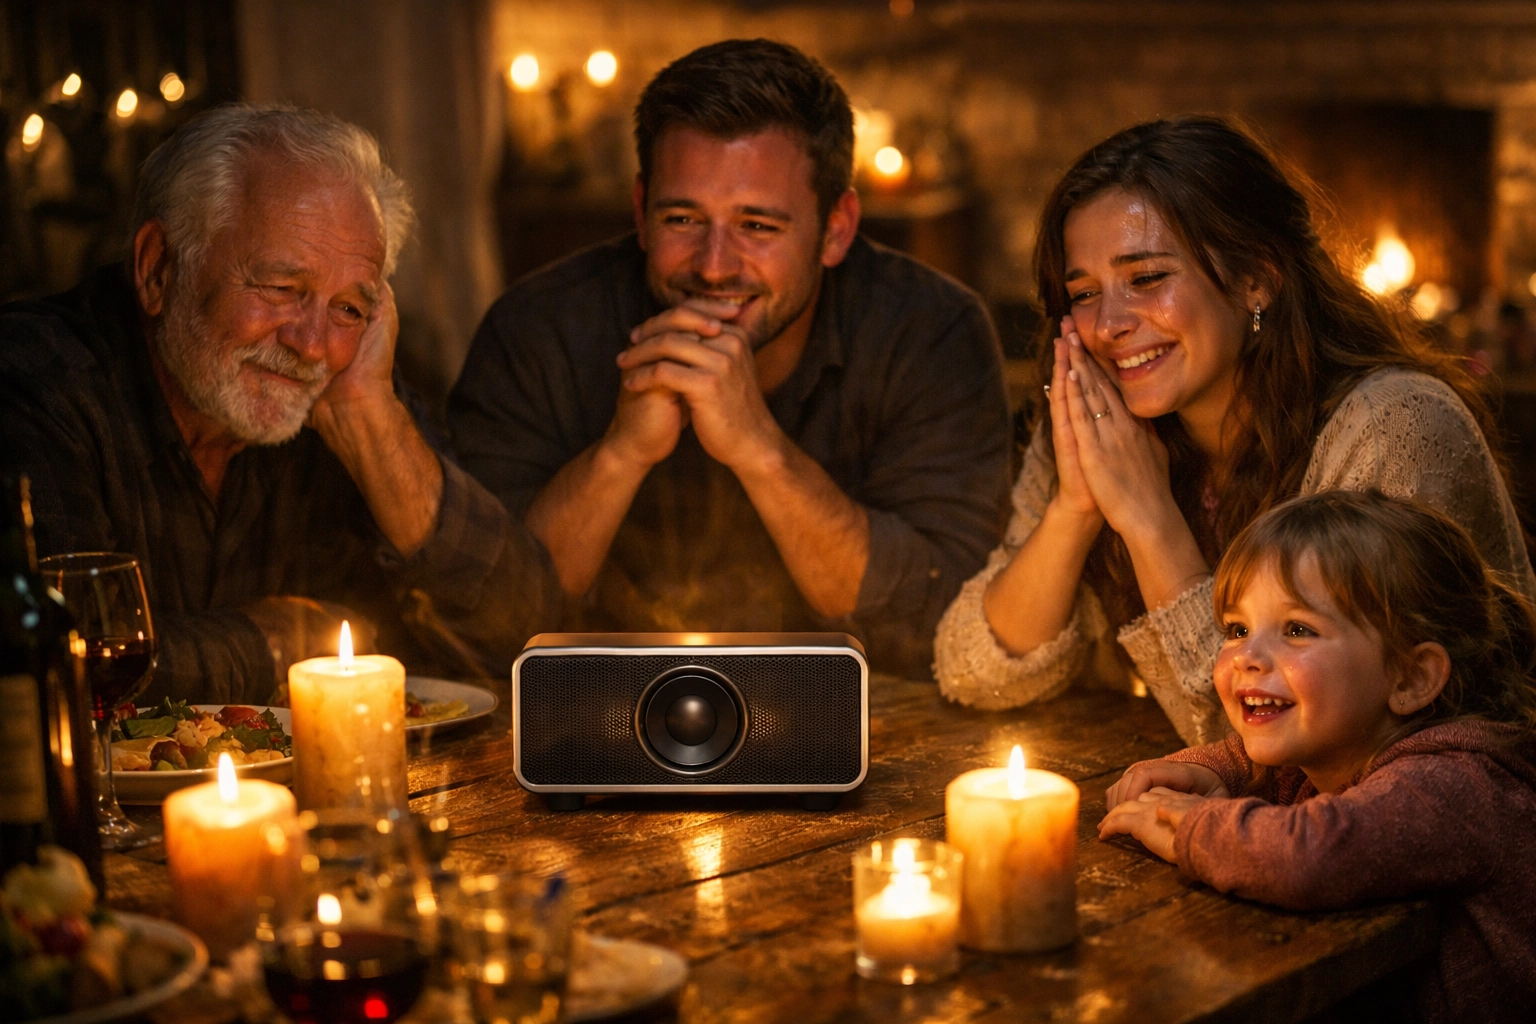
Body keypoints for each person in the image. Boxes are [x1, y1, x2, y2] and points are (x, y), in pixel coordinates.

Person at [933, 116, 1535, 744]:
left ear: (1257, 278)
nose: (1108, 324)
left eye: (1146, 279)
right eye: (1083, 294)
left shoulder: (1395, 429)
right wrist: (1077, 506)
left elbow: (1288, 746)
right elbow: (973, 671)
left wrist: (1148, 519)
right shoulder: (1103, 421)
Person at [449, 39, 1010, 677]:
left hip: (864, 741)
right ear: (639, 210)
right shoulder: (537, 329)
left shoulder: (930, 332)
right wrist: (619, 455)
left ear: (837, 228)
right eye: (683, 219)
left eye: (758, 227)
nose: (714, 266)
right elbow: (484, 636)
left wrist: (760, 450)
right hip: (591, 735)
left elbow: (946, 629)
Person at [0, 104, 559, 704]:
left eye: (348, 308)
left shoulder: (347, 388)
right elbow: (56, 666)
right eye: (281, 290)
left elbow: (523, 642)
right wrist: (271, 643)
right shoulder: (33, 380)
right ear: (158, 268)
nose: (311, 345)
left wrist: (372, 418)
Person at [1098, 491, 1536, 1023]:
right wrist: (1210, 769)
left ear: (1411, 678)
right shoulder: (1343, 749)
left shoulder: (1457, 783)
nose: (1248, 658)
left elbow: (1311, 856)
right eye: (1237, 630)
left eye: (1298, 629)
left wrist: (1194, 828)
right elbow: (1263, 763)